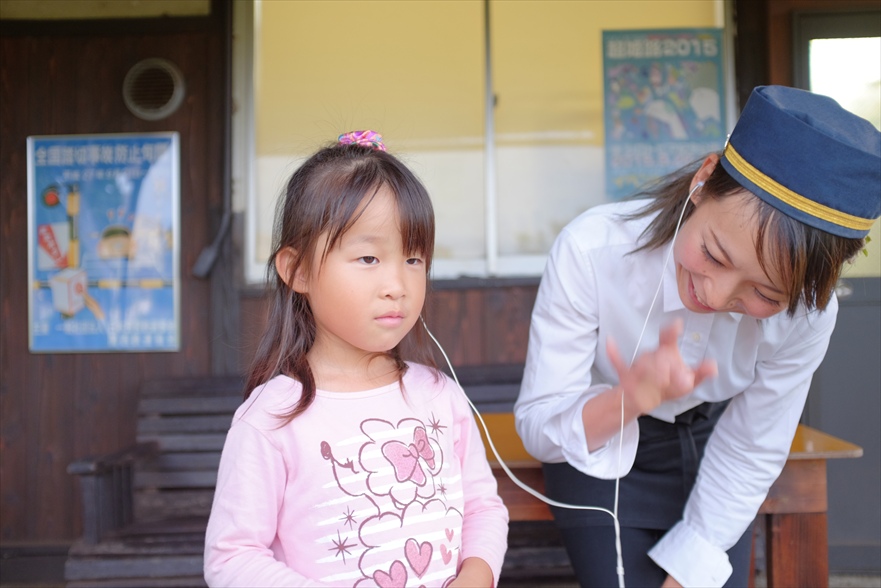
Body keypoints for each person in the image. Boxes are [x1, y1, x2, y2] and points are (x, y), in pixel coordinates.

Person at [514, 85, 881, 587]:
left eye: (765, 294)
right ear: (704, 180)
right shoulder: (592, 250)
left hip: (718, 450)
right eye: (713, 254)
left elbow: (751, 447)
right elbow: (539, 426)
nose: (714, 294)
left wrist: (690, 572)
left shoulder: (809, 315)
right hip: (599, 443)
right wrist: (629, 399)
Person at [204, 131, 508, 587]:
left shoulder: (439, 395)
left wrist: (477, 574)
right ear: (298, 270)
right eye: (368, 258)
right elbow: (232, 557)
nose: (397, 284)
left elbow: (482, 506)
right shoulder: (271, 418)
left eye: (413, 259)